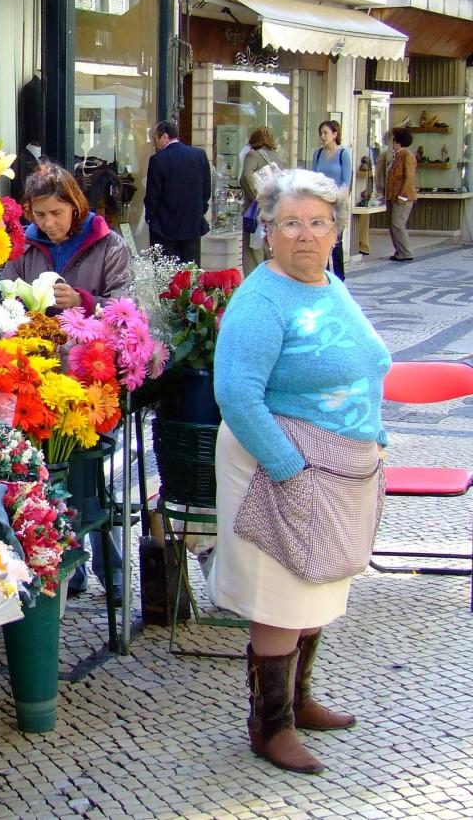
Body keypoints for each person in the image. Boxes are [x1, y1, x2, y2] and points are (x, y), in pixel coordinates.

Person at [209, 169, 391, 774]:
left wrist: (375, 434)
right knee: (280, 591)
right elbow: (236, 392)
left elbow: (364, 364)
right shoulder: (261, 300)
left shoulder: (329, 284)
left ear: (336, 229)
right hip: (278, 463)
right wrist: (288, 465)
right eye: (291, 223)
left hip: (335, 468)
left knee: (315, 587)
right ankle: (270, 725)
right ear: (268, 231)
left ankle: (300, 699)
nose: (306, 235)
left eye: (318, 222)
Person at [2, 161, 132, 603]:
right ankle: (63, 564)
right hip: (37, 376)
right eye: (39, 215)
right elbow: (2, 293)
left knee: (89, 473)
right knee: (46, 474)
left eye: (56, 213)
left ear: (75, 206)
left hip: (90, 375)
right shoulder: (25, 246)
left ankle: (107, 563)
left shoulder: (108, 244)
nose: (48, 223)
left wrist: (84, 300)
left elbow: (125, 306)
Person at [144, 120, 212, 264]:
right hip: (191, 224)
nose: (154, 144)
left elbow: (153, 196)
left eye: (155, 139)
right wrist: (199, 211)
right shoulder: (199, 155)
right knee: (190, 274)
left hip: (164, 226)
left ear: (165, 136)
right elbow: (206, 190)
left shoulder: (158, 160)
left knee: (166, 276)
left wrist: (151, 217)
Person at [311, 120, 352, 279]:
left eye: (325, 133)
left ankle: (339, 279)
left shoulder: (343, 154)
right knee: (321, 239)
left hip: (337, 203)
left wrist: (338, 200)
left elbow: (346, 182)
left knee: (336, 241)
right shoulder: (318, 154)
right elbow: (314, 177)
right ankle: (324, 274)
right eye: (321, 133)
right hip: (321, 202)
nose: (322, 136)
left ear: (335, 134)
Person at [239, 127, 281, 277]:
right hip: (273, 212)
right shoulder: (277, 157)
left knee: (253, 255)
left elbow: (245, 177)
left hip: (255, 212)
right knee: (270, 252)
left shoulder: (252, 155)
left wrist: (257, 198)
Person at [385, 127, 417, 262]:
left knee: (397, 224)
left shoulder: (407, 156)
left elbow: (409, 178)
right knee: (394, 224)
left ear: (398, 142)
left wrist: (402, 196)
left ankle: (405, 252)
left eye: (394, 140)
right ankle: (400, 251)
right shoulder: (397, 155)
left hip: (403, 196)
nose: (392, 142)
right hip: (394, 195)